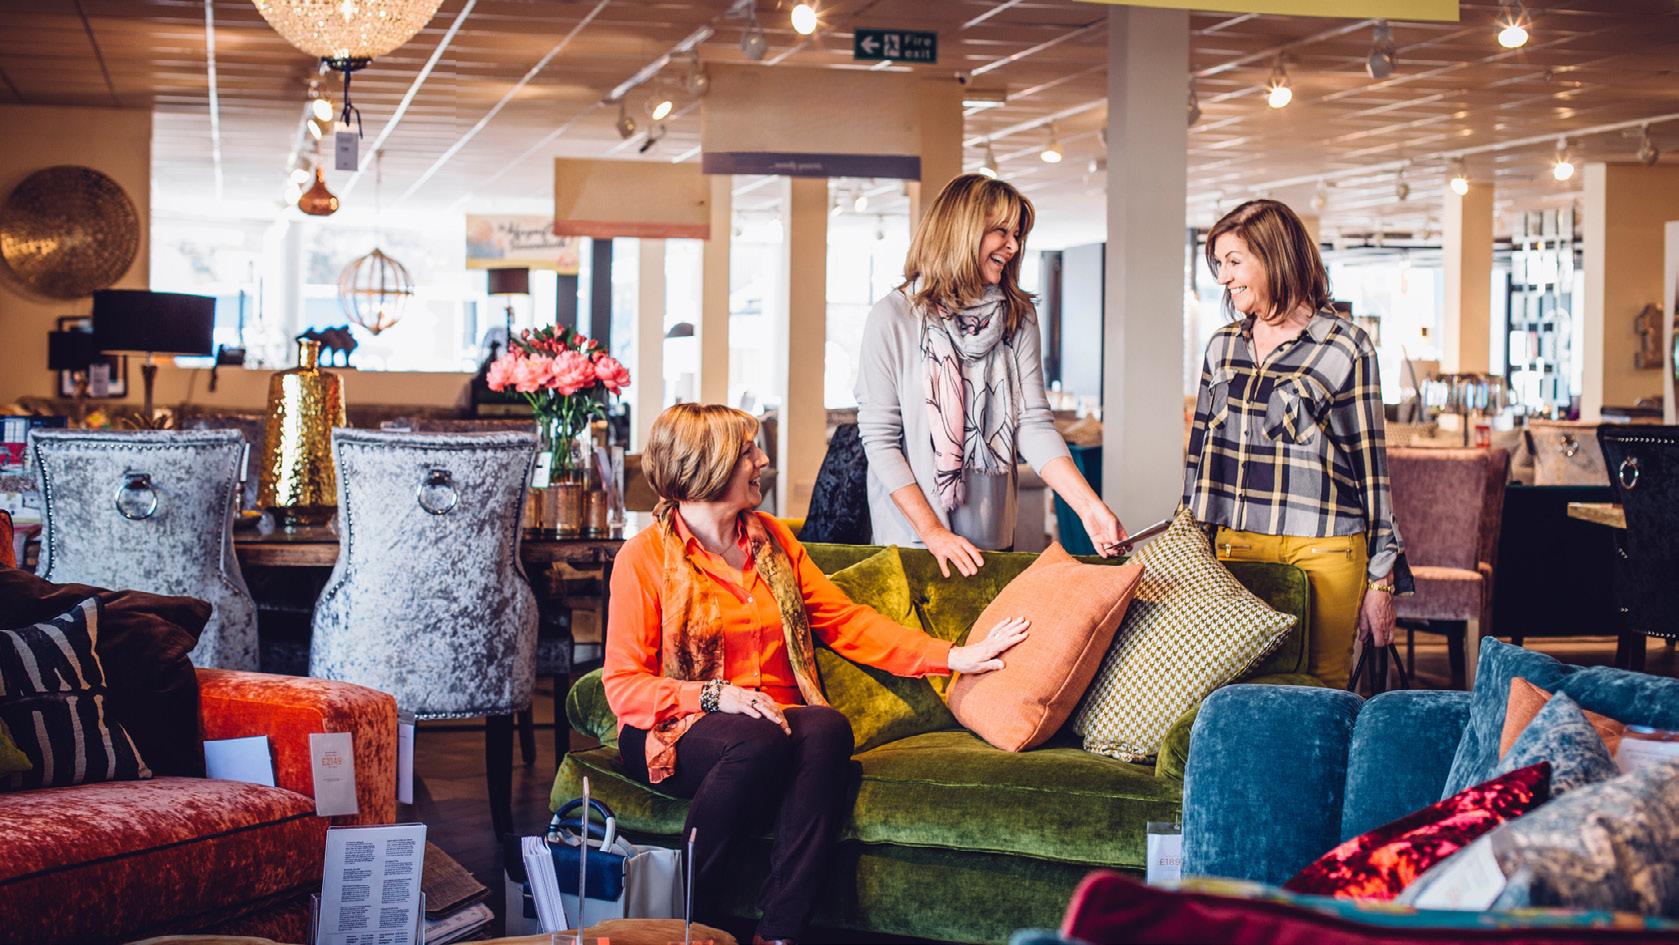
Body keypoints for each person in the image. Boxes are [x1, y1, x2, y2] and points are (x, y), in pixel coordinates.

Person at [603, 403, 1028, 945]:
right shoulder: (644, 558)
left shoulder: (772, 542)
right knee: (755, 739)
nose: (762, 462)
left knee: (826, 726)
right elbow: (623, 686)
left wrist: (951, 657)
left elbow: (845, 621)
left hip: (768, 721)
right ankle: (690, 918)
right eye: (748, 453)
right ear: (709, 466)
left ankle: (779, 931)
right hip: (674, 726)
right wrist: (715, 695)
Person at [1183, 199, 1413, 689]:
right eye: (1219, 264)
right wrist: (1189, 535)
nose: (1223, 277)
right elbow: (1201, 452)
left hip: (1327, 542)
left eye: (1234, 261)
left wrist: (1381, 578)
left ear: (1275, 257)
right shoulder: (1223, 346)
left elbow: (1370, 467)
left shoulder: (1346, 345)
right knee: (1240, 687)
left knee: (1323, 690)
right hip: (1241, 541)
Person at [855, 173, 1126, 578]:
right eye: (1001, 231)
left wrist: (1090, 508)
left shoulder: (1017, 316)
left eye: (1017, 235)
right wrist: (933, 532)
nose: (1013, 246)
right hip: (913, 539)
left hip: (992, 532)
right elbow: (880, 441)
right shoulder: (894, 316)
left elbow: (1033, 425)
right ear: (961, 230)